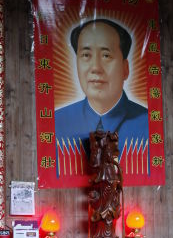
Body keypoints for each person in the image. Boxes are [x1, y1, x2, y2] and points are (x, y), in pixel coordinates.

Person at [55, 18, 148, 159]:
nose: (96, 68)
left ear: (125, 69)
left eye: (106, 56)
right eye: (86, 55)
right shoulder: (57, 122)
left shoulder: (147, 124)